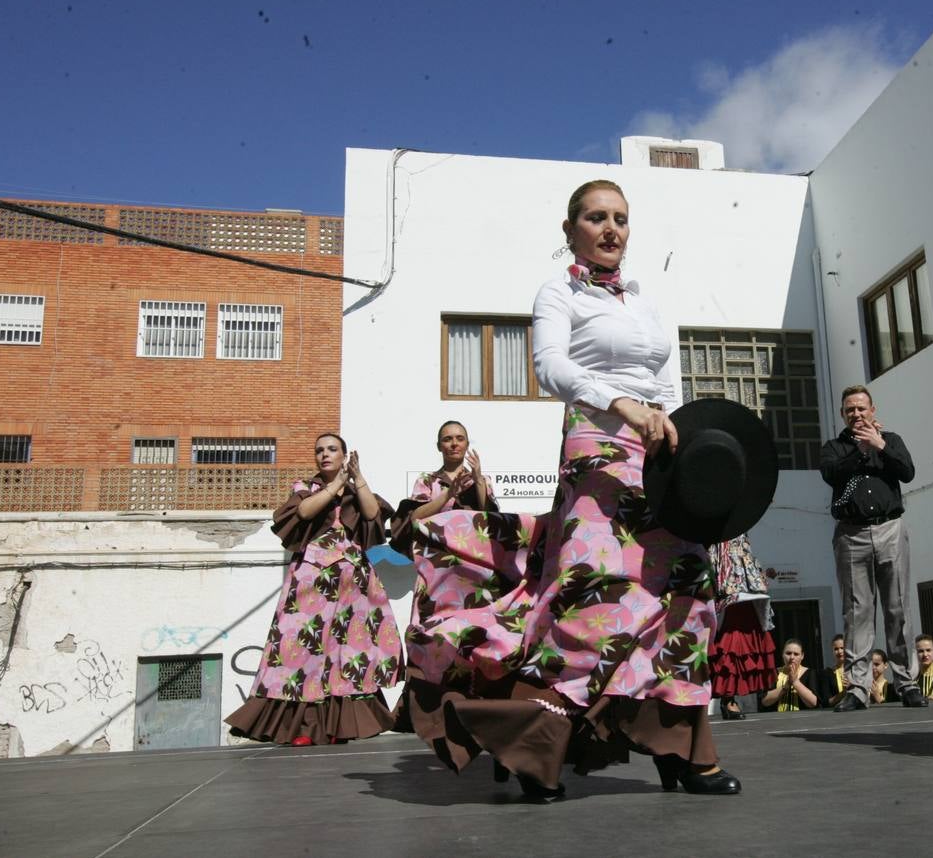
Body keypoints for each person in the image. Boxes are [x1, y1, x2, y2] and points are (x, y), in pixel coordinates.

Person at [404, 180, 740, 798]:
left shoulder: (645, 302)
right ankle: (535, 748)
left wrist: (683, 443)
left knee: (688, 592)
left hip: (659, 459)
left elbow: (669, 385)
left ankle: (681, 751)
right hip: (596, 448)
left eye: (620, 218)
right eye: (595, 218)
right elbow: (550, 367)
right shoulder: (559, 291)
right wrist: (621, 404)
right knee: (594, 598)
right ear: (571, 231)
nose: (611, 229)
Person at [225, 434, 403, 746]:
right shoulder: (306, 487)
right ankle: (303, 727)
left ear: (344, 455)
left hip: (352, 584)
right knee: (301, 651)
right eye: (319, 450)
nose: (324, 455)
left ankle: (338, 727)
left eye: (332, 449)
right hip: (311, 582)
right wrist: (335, 486)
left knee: (345, 653)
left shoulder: (354, 489)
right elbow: (305, 513)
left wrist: (357, 479)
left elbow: (373, 514)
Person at [819, 386, 926, 711]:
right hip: (851, 535)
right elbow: (831, 474)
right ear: (842, 413)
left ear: (873, 410)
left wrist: (879, 446)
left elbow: (907, 472)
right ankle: (858, 688)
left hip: (890, 528)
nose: (857, 414)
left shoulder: (891, 440)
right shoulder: (834, 447)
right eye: (850, 409)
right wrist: (861, 452)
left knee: (898, 607)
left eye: (862, 408)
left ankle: (906, 682)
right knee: (857, 611)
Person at [390, 420, 498, 733]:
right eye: (447, 439)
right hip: (434, 568)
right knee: (431, 632)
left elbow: (488, 515)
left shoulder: (480, 478)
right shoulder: (427, 481)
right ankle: (427, 708)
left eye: (459, 438)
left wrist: (478, 481)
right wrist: (449, 492)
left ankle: (474, 703)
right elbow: (415, 518)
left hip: (471, 570)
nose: (453, 444)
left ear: (466, 444)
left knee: (472, 633)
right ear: (439, 446)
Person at [708, 533, 776, 721]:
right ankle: (728, 698)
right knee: (730, 640)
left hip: (746, 579)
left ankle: (736, 696)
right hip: (723, 571)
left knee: (747, 634)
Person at [760, 639, 819, 711]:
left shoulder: (810, 673)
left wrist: (795, 682)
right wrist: (786, 686)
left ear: (802, 656)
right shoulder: (774, 673)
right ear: (782, 654)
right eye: (788, 653)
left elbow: (813, 702)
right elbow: (765, 701)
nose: (792, 657)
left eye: (796, 654)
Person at [816, 633, 848, 708]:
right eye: (836, 649)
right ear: (832, 651)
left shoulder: (856, 670)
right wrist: (843, 693)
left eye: (842, 648)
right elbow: (826, 702)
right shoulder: (827, 673)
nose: (839, 651)